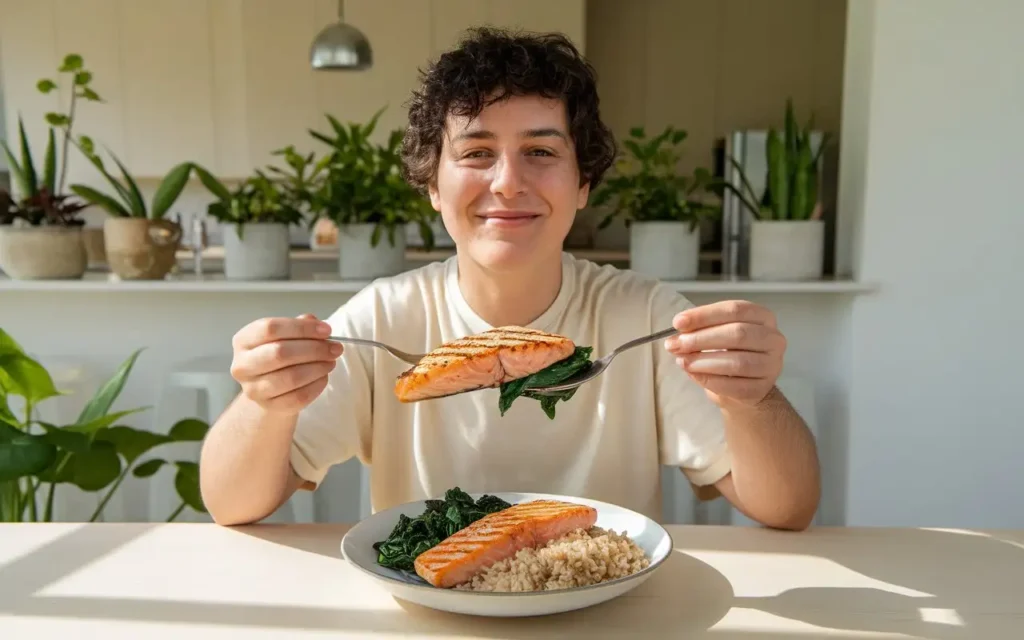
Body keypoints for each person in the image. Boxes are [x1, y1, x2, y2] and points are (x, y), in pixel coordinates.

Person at [198, 27, 820, 531]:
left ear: (583, 184)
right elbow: (232, 504)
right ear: (432, 188)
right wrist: (263, 403)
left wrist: (753, 398)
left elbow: (787, 508)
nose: (506, 183)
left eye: (542, 152)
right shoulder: (383, 320)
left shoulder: (646, 319)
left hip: (607, 617)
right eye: (475, 153)